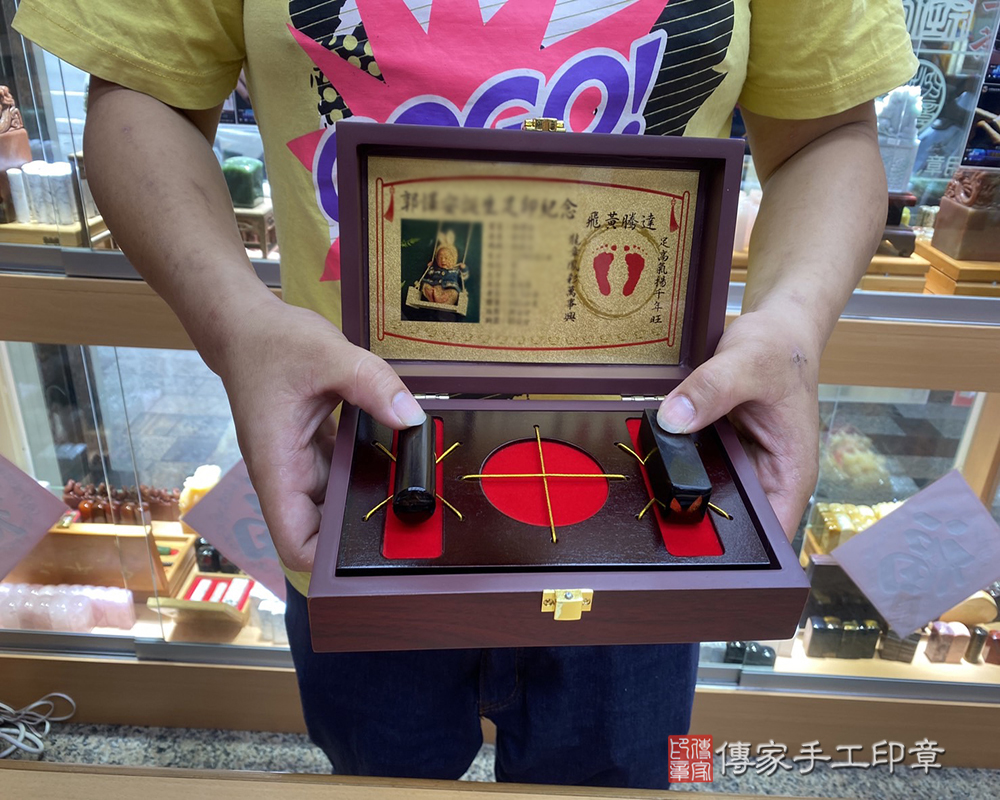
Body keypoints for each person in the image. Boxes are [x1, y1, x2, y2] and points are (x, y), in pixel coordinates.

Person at [14, 0, 916, 788]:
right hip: (352, 488)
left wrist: (793, 329)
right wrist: (236, 327)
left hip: (642, 508)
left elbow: (829, 134)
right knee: (377, 776)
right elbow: (140, 97)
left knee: (622, 780)